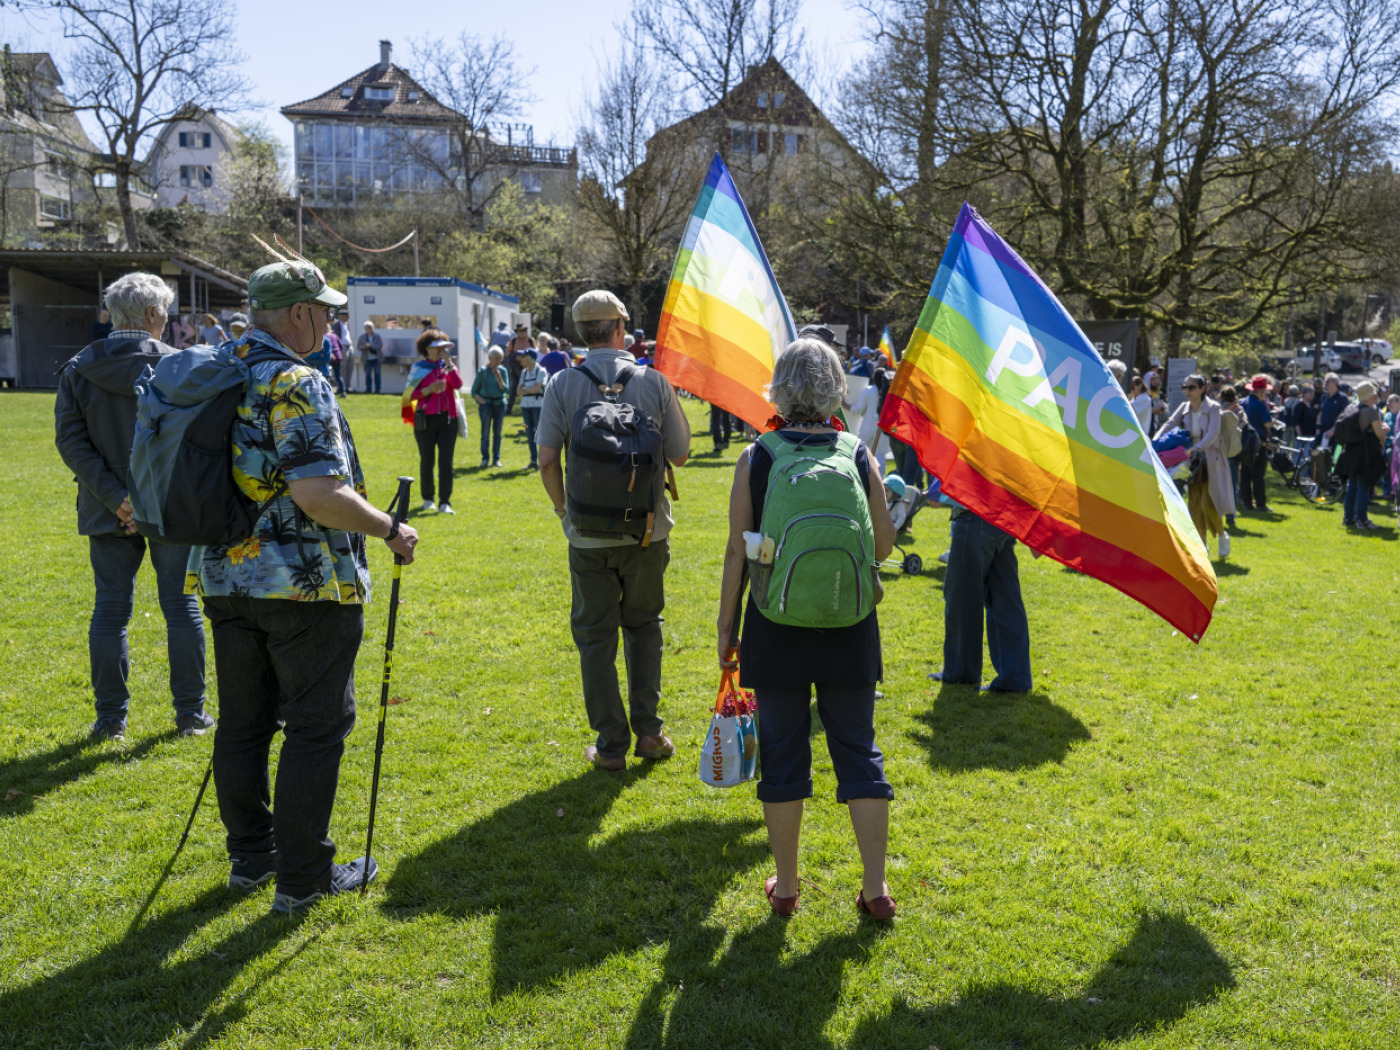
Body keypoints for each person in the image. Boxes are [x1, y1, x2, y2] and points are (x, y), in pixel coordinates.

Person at [189, 258, 418, 914]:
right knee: (316, 727)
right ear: (297, 313)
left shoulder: (216, 368)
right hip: (301, 584)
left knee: (242, 723)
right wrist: (390, 529)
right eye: (323, 309)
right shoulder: (296, 381)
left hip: (222, 575)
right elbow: (319, 493)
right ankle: (302, 879)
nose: (330, 319)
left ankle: (251, 862)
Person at [716, 336, 897, 919]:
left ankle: (788, 887)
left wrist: (726, 627)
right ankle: (875, 889)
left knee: (783, 751)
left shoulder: (757, 457)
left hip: (774, 621)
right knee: (858, 750)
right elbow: (885, 546)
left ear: (779, 387)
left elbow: (736, 555)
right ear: (836, 388)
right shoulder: (856, 453)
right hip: (849, 621)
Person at [536, 290, 691, 773]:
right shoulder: (653, 381)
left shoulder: (562, 383)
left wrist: (565, 511)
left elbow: (545, 460)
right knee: (644, 628)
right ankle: (649, 733)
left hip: (586, 535)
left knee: (595, 638)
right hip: (647, 532)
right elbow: (681, 454)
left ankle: (609, 746)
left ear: (582, 333)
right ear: (621, 328)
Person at [55, 272, 212, 742]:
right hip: (170, 509)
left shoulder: (79, 368)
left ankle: (110, 721)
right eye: (165, 310)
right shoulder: (181, 365)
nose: (169, 317)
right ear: (150, 315)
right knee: (181, 608)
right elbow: (199, 442)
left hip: (107, 510)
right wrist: (141, 498)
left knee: (110, 612)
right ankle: (191, 715)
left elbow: (71, 443)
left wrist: (116, 498)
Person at [1156, 373, 1233, 554]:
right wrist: (1154, 442)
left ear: (1202, 389)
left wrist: (1196, 448)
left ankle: (1222, 535)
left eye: (1191, 388)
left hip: (1211, 459)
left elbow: (1212, 434)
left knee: (1208, 502)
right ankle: (1202, 544)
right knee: (1194, 504)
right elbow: (1169, 423)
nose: (1187, 391)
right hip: (1191, 461)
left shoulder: (1214, 408)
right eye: (1185, 387)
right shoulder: (1184, 407)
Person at [405, 329, 462, 513]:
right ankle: (428, 498)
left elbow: (459, 385)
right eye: (437, 348)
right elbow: (408, 395)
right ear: (427, 349)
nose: (441, 351)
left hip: (447, 421)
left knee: (446, 462)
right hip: (425, 421)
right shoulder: (419, 368)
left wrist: (449, 364)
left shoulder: (449, 366)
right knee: (427, 461)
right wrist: (428, 390)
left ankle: (445, 502)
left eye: (443, 347)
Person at [1337, 380, 1386, 529]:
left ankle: (1348, 517)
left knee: (1352, 485)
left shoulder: (1352, 408)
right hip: (1366, 452)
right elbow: (1379, 434)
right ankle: (1362, 519)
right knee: (1363, 485)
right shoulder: (1371, 411)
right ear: (1372, 396)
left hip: (1351, 451)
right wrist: (1384, 434)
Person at [1241, 375, 1276, 512]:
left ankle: (1247, 502)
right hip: (1258, 443)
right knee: (1258, 475)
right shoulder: (1260, 406)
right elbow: (1267, 423)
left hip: (1244, 443)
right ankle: (1261, 504)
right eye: (1265, 392)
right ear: (1260, 392)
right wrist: (1273, 421)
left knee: (1245, 474)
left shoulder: (1243, 403)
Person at [472, 346, 509, 467]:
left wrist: (499, 377)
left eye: (500, 358)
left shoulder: (503, 371)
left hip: (500, 404)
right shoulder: (482, 372)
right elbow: (474, 391)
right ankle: (485, 458)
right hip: (486, 405)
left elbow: (506, 390)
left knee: (497, 433)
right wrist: (482, 401)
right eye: (496, 358)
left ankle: (496, 459)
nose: (499, 361)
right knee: (485, 433)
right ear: (490, 358)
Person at [517, 345, 548, 470]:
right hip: (525, 406)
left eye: (523, 356)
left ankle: (543, 461)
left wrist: (526, 389)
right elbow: (518, 391)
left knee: (539, 433)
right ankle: (533, 461)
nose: (521, 359)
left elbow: (536, 389)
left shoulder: (541, 371)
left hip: (538, 406)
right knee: (528, 432)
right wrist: (529, 390)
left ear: (530, 358)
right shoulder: (524, 372)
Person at [1218, 386, 1244, 526]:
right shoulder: (1239, 411)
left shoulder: (1217, 410)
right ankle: (1230, 515)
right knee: (1232, 483)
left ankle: (1217, 514)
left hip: (1220, 450)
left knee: (1219, 483)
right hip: (1234, 449)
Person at [505, 323, 532, 413]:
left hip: (528, 368)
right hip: (516, 367)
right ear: (517, 332)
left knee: (528, 386)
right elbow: (508, 353)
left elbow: (534, 353)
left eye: (524, 330)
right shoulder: (513, 341)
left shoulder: (530, 340)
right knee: (514, 388)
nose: (523, 332)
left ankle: (529, 407)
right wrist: (516, 357)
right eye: (520, 331)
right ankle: (509, 409)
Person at [358, 321, 383, 393]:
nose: (369, 329)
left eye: (370, 327)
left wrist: (371, 345)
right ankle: (368, 389)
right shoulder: (362, 337)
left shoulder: (377, 336)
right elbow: (358, 347)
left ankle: (377, 389)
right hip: (367, 359)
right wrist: (363, 347)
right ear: (365, 328)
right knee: (368, 374)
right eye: (367, 327)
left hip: (376, 358)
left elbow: (380, 346)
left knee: (377, 374)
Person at [324, 320, 346, 396]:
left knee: (327, 374)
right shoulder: (335, 335)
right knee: (338, 375)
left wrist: (331, 354)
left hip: (329, 356)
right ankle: (342, 390)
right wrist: (339, 354)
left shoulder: (324, 337)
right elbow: (341, 347)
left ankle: (327, 391)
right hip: (338, 356)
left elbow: (325, 348)